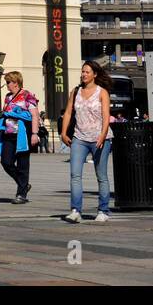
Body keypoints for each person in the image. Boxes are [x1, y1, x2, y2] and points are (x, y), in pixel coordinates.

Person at [61, 61, 113, 223]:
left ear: (95, 74)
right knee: (75, 174)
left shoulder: (102, 92)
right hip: (79, 138)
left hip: (100, 138)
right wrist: (63, 132)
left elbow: (106, 116)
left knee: (101, 175)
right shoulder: (75, 92)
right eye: (82, 72)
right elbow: (68, 113)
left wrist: (103, 136)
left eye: (87, 72)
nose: (83, 74)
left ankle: (103, 210)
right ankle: (75, 210)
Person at [0, 71, 40, 203]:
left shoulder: (27, 95)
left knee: (23, 163)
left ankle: (21, 194)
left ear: (15, 82)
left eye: (8, 82)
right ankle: (24, 184)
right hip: (9, 133)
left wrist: (34, 133)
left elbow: (34, 115)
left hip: (23, 133)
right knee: (6, 162)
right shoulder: (8, 97)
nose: (7, 85)